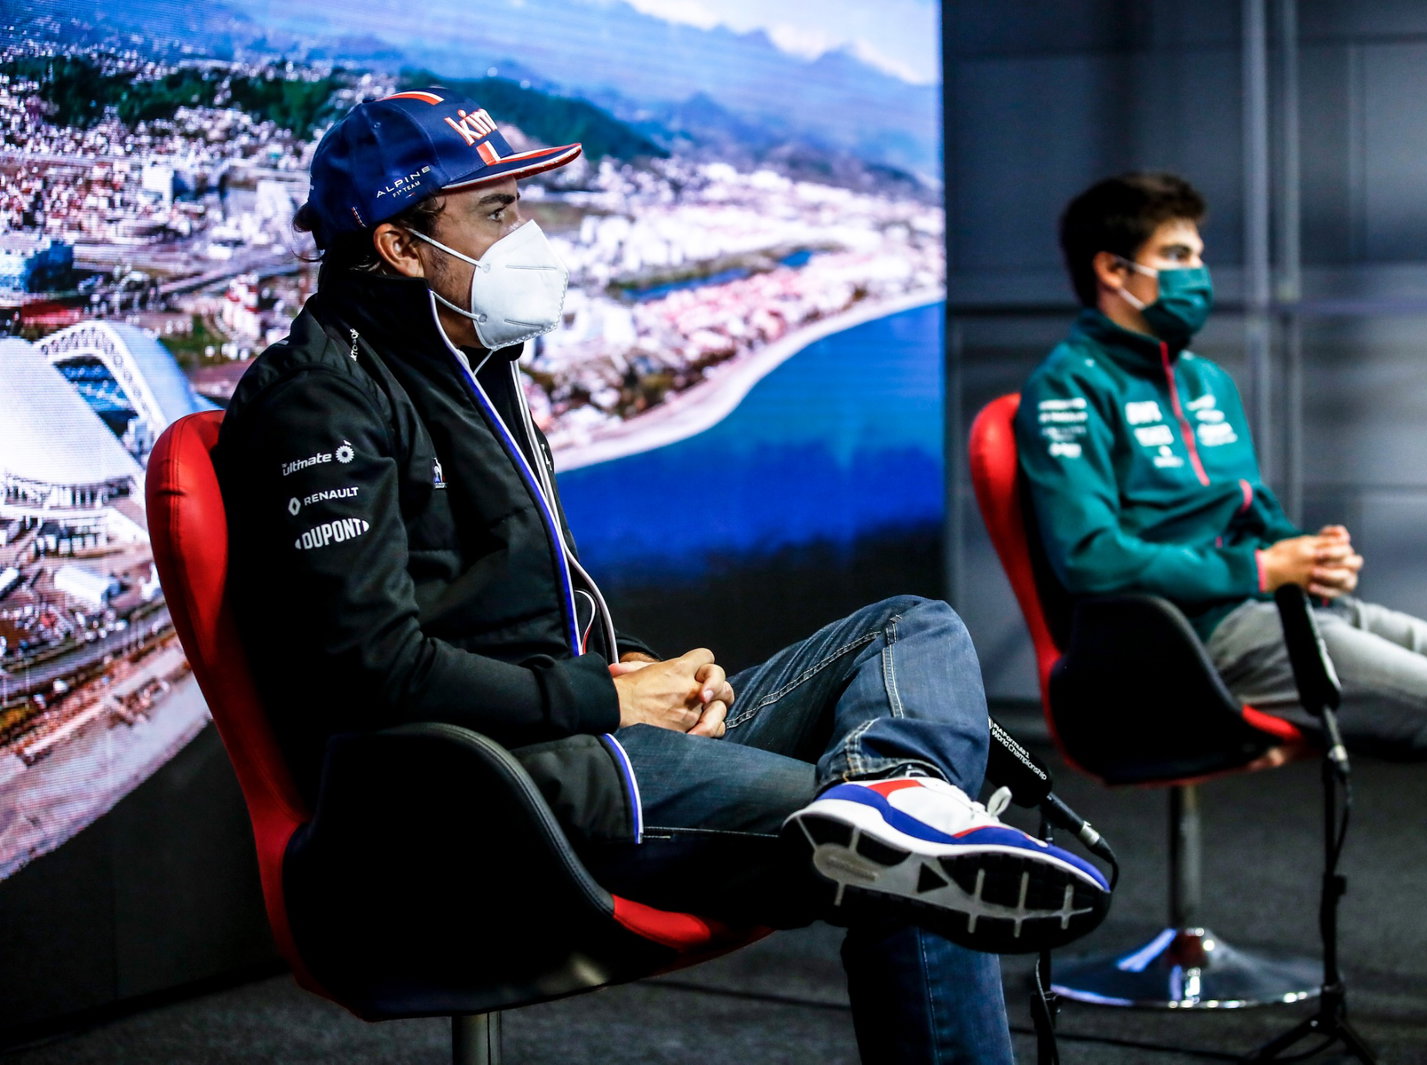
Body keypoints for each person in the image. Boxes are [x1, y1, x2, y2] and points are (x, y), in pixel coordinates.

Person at [214, 87, 1108, 1065]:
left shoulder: (474, 366)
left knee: (910, 629)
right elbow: (368, 669)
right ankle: (895, 814)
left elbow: (525, 600)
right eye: (498, 210)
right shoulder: (319, 399)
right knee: (909, 863)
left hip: (576, 727)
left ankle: (887, 796)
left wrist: (641, 669)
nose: (532, 233)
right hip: (494, 784)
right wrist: (605, 694)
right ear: (399, 247)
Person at [1017, 170, 1427, 912]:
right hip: (1190, 641)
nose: (1200, 274)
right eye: (1179, 255)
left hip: (1287, 608)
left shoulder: (1205, 383)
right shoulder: (1068, 388)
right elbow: (1092, 561)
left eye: (1200, 254)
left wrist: (1309, 551)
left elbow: (1256, 515)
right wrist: (1260, 567)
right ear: (1113, 269)